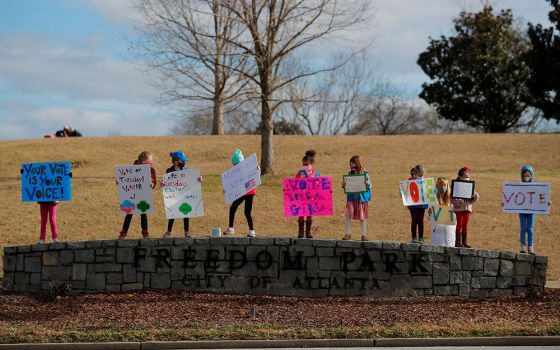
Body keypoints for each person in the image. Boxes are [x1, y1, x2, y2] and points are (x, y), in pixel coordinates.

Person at [162, 150, 203, 238]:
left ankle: (187, 231)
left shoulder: (186, 170)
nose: (184, 162)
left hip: (184, 196)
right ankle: (169, 231)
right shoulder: (169, 171)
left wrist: (199, 179)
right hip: (174, 196)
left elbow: (193, 179)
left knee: (186, 212)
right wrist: (163, 183)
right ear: (175, 161)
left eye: (184, 161)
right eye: (182, 161)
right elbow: (167, 181)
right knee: (172, 213)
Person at [118, 151, 156, 239]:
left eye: (150, 163)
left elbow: (153, 180)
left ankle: (145, 231)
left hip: (143, 196)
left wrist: (152, 184)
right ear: (141, 162)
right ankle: (124, 232)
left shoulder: (151, 170)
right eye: (148, 163)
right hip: (132, 195)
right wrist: (120, 182)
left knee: (143, 213)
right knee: (129, 213)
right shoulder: (132, 169)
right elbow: (125, 179)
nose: (150, 165)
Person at [224, 149, 257, 238]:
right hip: (250, 191)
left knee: (234, 207)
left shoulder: (239, 169)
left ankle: (231, 228)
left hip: (245, 191)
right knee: (247, 212)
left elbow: (234, 183)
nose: (235, 166)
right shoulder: (247, 167)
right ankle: (252, 231)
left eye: (235, 164)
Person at [341, 155, 371, 241]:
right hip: (351, 198)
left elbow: (370, 184)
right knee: (348, 216)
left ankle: (363, 235)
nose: (352, 166)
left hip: (361, 199)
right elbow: (347, 184)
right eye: (350, 165)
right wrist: (344, 185)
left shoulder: (365, 173)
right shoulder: (350, 174)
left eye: (353, 164)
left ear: (357, 164)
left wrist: (367, 183)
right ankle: (347, 234)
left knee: (362, 217)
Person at [451, 166, 479, 248]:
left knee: (465, 224)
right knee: (459, 223)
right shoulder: (456, 186)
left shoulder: (470, 186)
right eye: (466, 177)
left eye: (468, 177)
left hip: (467, 208)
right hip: (459, 208)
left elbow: (475, 197)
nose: (467, 179)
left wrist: (474, 197)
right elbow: (452, 199)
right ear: (460, 177)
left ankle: (464, 242)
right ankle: (458, 241)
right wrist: (458, 202)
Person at [295, 150, 318, 238]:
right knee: (301, 214)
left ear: (312, 164)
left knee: (309, 215)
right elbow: (294, 184)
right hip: (301, 198)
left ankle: (308, 232)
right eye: (303, 164)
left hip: (311, 199)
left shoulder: (316, 174)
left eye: (306, 164)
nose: (305, 166)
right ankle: (301, 232)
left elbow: (320, 186)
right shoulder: (299, 173)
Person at [429, 177, 456, 247]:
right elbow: (429, 217)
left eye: (444, 185)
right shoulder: (433, 200)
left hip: (449, 231)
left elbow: (455, 216)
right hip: (437, 232)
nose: (443, 187)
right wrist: (430, 213)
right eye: (440, 185)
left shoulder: (451, 200)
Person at [408, 165, 428, 244]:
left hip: (422, 204)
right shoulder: (411, 180)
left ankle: (421, 238)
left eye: (423, 171)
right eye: (421, 171)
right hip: (413, 204)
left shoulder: (426, 181)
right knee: (414, 220)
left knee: (420, 221)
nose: (422, 172)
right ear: (417, 172)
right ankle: (414, 238)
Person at [519, 165, 536, 254]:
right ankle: (523, 246)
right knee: (523, 228)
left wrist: (547, 204)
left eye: (528, 176)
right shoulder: (519, 187)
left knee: (530, 228)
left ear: (531, 176)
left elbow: (540, 197)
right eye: (525, 175)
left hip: (531, 211)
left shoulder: (535, 187)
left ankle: (531, 247)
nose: (526, 177)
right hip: (522, 210)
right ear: (522, 176)